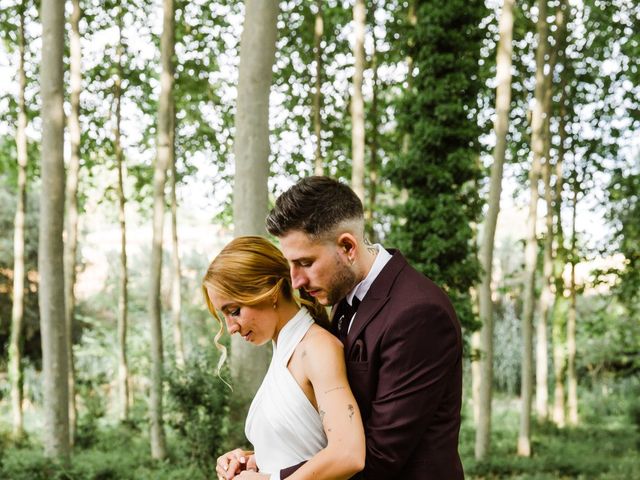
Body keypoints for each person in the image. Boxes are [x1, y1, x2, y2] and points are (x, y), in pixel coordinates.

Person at [264, 176, 465, 480]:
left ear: (347, 246)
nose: (296, 281)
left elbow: (382, 456)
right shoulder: (343, 300)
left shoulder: (419, 313)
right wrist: (263, 461)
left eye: (305, 262)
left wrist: (275, 477)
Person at [203, 236, 365, 480]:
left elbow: (348, 453)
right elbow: (299, 451)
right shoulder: (283, 350)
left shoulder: (317, 348)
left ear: (272, 292)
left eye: (234, 311)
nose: (231, 328)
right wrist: (249, 460)